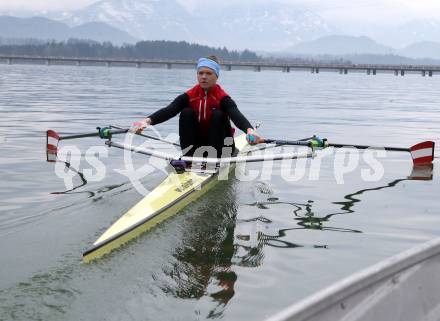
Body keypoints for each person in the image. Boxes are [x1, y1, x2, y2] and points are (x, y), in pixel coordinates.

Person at [133, 56, 262, 159]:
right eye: (200, 73)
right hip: (198, 146)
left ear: (216, 76)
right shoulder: (189, 96)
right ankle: (189, 157)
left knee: (218, 115)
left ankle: (215, 160)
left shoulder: (223, 98)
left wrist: (250, 130)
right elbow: (170, 110)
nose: (204, 76)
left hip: (223, 148)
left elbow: (236, 115)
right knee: (186, 112)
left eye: (208, 73)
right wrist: (146, 122)